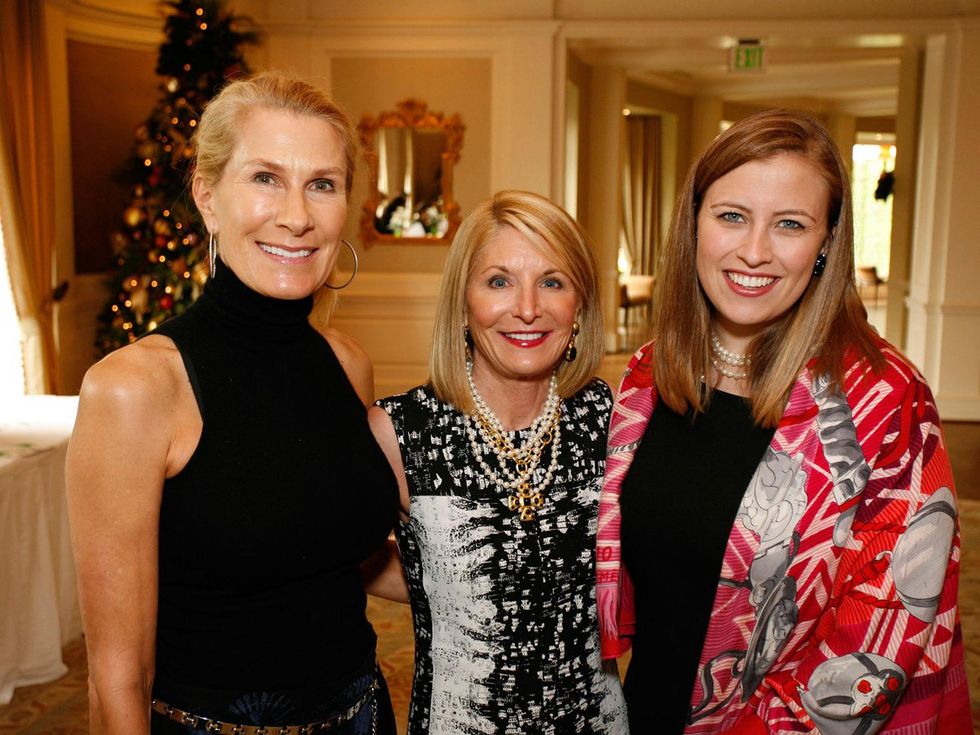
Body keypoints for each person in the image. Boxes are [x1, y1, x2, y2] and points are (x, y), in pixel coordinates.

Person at [596, 109, 971, 734]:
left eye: (790, 224)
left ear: (827, 241)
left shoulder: (883, 399)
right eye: (732, 215)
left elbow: (888, 629)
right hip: (642, 711)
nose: (753, 250)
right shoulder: (649, 374)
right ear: (694, 224)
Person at [67, 71, 399, 735]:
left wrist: (498, 572)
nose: (297, 215)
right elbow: (116, 677)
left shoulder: (346, 362)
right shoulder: (135, 389)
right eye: (265, 177)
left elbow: (331, 550)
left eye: (322, 183)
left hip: (362, 718)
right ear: (208, 196)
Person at [367, 191, 629, 734]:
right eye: (499, 281)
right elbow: (326, 559)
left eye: (552, 282)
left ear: (579, 304)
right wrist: (433, 588)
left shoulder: (612, 419)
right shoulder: (399, 431)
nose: (528, 308)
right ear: (463, 302)